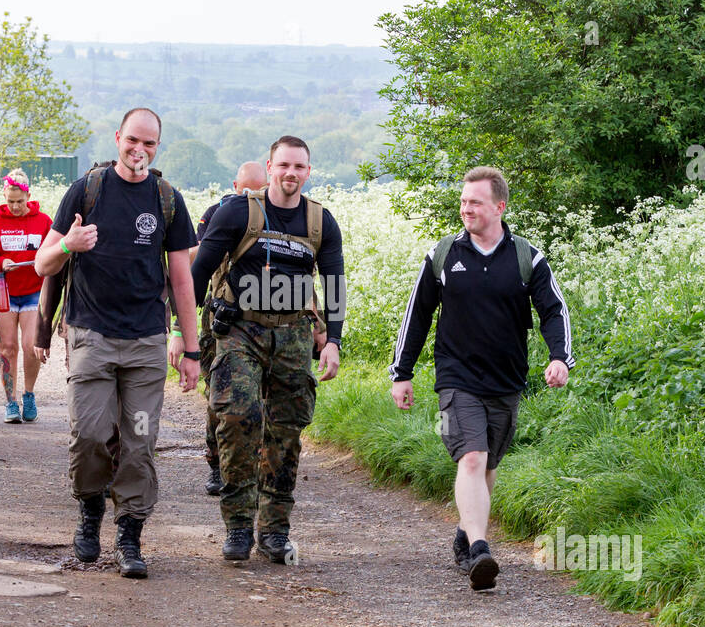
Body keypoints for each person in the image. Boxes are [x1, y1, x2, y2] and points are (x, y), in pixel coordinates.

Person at [389, 166, 574, 591]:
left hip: (506, 380)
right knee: (470, 458)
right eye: (463, 201)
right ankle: (479, 550)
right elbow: (416, 316)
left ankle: (464, 534)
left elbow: (553, 311)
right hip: (455, 377)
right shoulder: (443, 255)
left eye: (474, 202)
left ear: (499, 206)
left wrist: (560, 357)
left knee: (488, 464)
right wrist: (402, 373)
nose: (465, 209)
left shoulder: (527, 257)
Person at [34, 107, 200, 579]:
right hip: (91, 336)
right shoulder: (86, 190)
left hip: (146, 342)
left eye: (149, 144)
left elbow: (183, 281)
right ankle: (89, 511)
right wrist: (70, 245)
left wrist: (191, 350)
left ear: (157, 147)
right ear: (117, 139)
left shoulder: (167, 199)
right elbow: (43, 265)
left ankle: (130, 535)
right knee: (89, 434)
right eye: (133, 141)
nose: (140, 150)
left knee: (140, 441)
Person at [191, 136, 344, 563]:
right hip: (240, 329)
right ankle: (238, 526)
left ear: (308, 171)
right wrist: (181, 334)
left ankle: (275, 530)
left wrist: (332, 340)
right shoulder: (238, 211)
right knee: (239, 418)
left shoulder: (320, 222)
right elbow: (199, 271)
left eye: (300, 167)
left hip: (293, 335)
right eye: (284, 165)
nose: (291, 173)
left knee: (285, 430)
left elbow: (334, 283)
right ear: (270, 166)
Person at [188, 160, 269, 496]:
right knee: (220, 394)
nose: (251, 195)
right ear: (235, 185)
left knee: (261, 398)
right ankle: (217, 463)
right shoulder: (217, 211)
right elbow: (196, 258)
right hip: (221, 314)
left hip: (266, 319)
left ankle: (257, 464)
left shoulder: (278, 214)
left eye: (257, 189)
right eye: (245, 189)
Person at [0, 169, 53, 423]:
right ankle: (10, 402)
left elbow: (54, 253)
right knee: (8, 347)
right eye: (10, 202)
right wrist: (1, 262)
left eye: (19, 201)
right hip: (4, 292)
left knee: (31, 346)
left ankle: (28, 394)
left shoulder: (43, 221)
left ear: (28, 196)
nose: (15, 207)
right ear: (4, 197)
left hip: (33, 292)